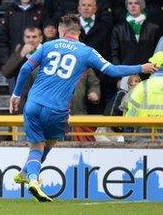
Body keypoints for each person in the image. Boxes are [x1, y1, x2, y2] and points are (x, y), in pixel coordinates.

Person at [9, 14, 157, 202]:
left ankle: (27, 173)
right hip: (57, 109)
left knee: (36, 146)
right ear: (79, 32)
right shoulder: (86, 52)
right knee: (49, 143)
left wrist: (15, 94)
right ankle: (33, 179)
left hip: (32, 104)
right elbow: (112, 70)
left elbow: (24, 69)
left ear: (61, 30)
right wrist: (140, 67)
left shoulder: (47, 45)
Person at [124, 51, 163, 141]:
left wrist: (128, 135)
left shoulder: (142, 86)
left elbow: (131, 113)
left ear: (155, 67)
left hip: (146, 131)